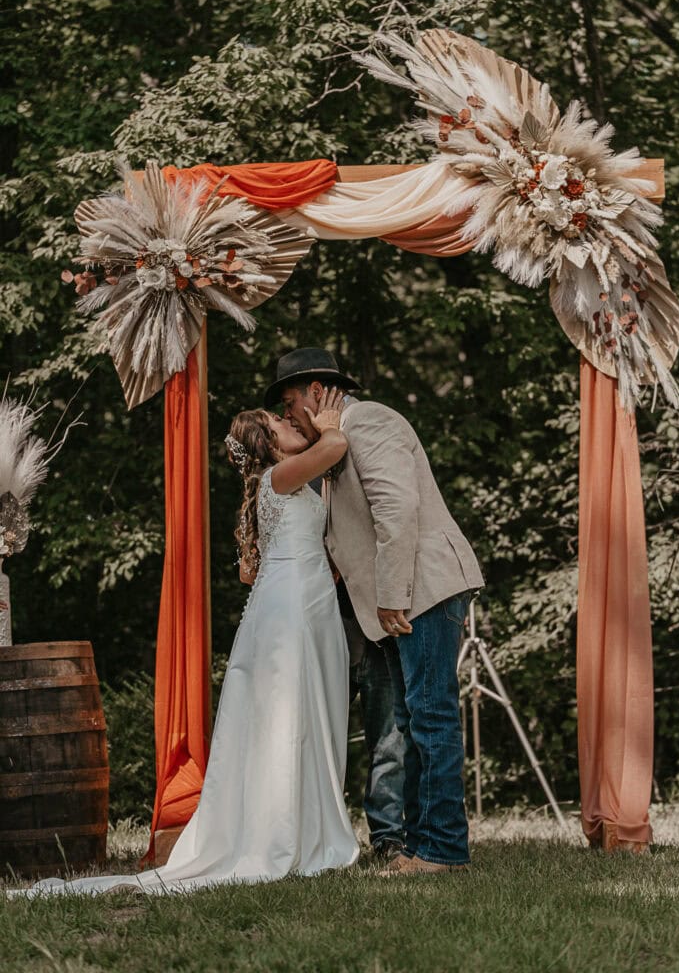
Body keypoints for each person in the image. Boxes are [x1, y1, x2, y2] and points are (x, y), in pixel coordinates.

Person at [8, 391, 359, 898]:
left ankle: (309, 824)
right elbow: (337, 446)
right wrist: (326, 423)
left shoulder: (291, 478)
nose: (288, 421)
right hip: (292, 613)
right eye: (277, 422)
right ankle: (286, 834)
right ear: (266, 444)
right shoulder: (277, 478)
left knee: (310, 716)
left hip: (307, 603)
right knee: (290, 719)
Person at [266, 347, 485, 876]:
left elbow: (397, 510)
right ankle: (418, 846)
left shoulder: (372, 421)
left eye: (291, 404)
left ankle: (442, 850)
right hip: (404, 594)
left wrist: (391, 594)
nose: (291, 416)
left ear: (317, 394)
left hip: (422, 587)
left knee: (431, 716)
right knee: (414, 719)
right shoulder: (338, 441)